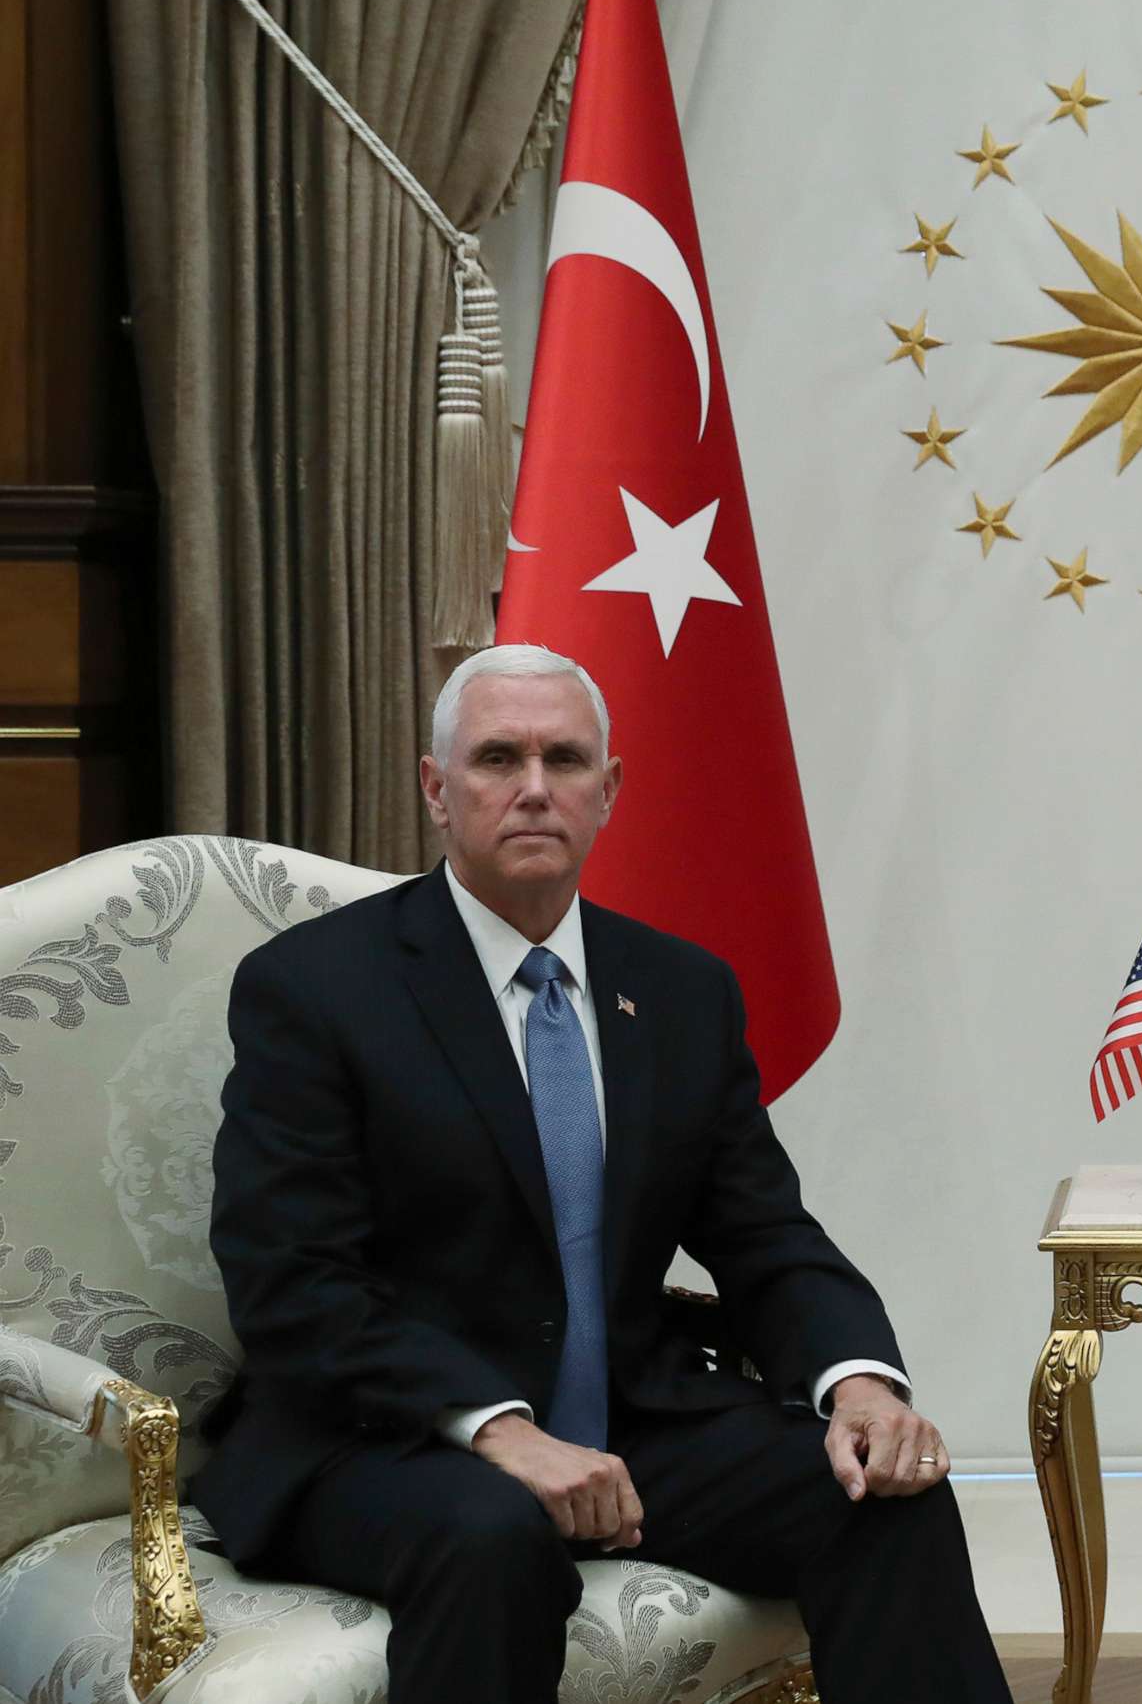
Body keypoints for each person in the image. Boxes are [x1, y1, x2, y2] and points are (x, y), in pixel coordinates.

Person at [196, 643, 1010, 1704]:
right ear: (439, 790)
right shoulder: (315, 988)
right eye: (497, 757)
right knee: (494, 1533)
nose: (534, 787)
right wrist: (498, 1428)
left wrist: (859, 1383)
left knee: (883, 1493)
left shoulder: (681, 991)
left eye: (565, 758)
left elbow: (765, 1234)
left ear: (608, 790)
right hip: (381, 1439)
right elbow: (290, 1280)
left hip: (630, 1425)